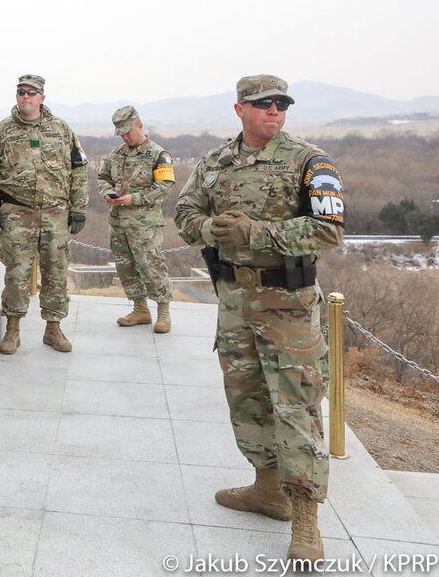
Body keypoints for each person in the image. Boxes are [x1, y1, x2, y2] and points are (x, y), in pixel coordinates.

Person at [175, 75, 343, 564]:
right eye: (264, 104)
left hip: (288, 307)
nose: (275, 110)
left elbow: (329, 230)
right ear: (240, 109)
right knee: (246, 401)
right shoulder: (215, 162)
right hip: (234, 306)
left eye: (282, 104)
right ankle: (267, 490)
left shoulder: (310, 160)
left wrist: (256, 232)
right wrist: (210, 227)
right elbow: (186, 212)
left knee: (297, 408)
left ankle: (306, 521)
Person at [0, 75, 87, 355]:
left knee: (56, 272)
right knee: (17, 274)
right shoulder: (3, 131)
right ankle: (13, 329)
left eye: (31, 93)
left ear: (42, 98)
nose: (25, 97)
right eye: (21, 92)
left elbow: (79, 169)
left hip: (56, 213)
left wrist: (79, 208)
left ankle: (53, 328)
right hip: (17, 213)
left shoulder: (61, 129)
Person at [99, 105, 175, 332]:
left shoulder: (158, 154)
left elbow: (165, 186)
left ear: (140, 126)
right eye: (121, 133)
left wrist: (137, 198)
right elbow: (102, 177)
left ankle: (164, 312)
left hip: (145, 226)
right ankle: (140, 309)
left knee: (152, 266)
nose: (125, 136)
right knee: (126, 268)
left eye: (128, 131)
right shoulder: (116, 155)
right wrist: (107, 192)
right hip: (119, 223)